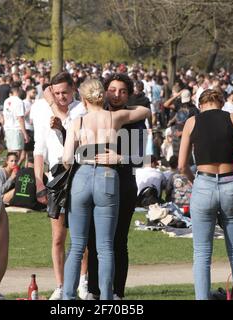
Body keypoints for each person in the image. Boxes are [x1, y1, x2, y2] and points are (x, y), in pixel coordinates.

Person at [62, 79, 150, 300]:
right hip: (107, 175)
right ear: (102, 96)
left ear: (83, 99)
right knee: (106, 246)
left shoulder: (78, 121)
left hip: (82, 175)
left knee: (77, 246)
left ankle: (68, 296)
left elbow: (65, 159)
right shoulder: (114, 117)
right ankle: (107, 298)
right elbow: (145, 111)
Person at [178, 89, 233, 300]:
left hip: (203, 183)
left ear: (201, 105)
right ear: (221, 103)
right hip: (231, 183)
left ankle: (202, 297)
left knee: (201, 254)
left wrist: (195, 181)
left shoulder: (192, 122)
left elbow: (182, 165)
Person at [86, 73, 149, 300]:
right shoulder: (94, 116)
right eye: (112, 90)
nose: (116, 95)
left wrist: (119, 158)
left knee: (119, 240)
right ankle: (93, 290)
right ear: (104, 91)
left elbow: (141, 158)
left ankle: (117, 293)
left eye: (122, 91)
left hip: (123, 184)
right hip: (96, 184)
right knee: (93, 240)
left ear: (129, 94)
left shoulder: (135, 120)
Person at [32, 72, 87, 300]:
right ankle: (61, 284)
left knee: (81, 236)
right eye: (56, 93)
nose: (61, 96)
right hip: (55, 177)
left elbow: (71, 127)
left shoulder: (81, 109)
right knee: (57, 237)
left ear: (73, 89)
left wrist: (54, 104)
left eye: (65, 92)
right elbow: (38, 148)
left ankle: (83, 281)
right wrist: (38, 182)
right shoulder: (42, 110)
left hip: (79, 172)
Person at [1, 87, 29, 165]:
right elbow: (20, 118)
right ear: (17, 91)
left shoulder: (6, 101)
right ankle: (12, 173)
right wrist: (25, 134)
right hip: (16, 129)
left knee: (10, 154)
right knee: (16, 155)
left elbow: (4, 116)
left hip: (8, 129)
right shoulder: (19, 101)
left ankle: (9, 173)